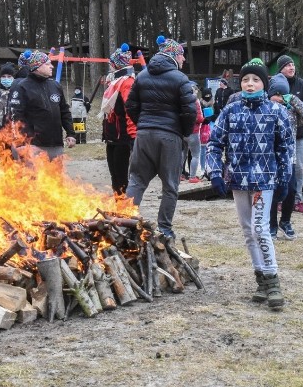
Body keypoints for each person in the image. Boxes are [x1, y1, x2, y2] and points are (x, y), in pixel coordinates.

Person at [206, 61, 293, 310]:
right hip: (238, 180)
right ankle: (261, 280)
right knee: (247, 230)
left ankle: (273, 279)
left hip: (264, 180)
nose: (250, 84)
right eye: (246, 80)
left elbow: (285, 149)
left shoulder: (276, 112)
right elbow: (214, 144)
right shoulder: (231, 111)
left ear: (264, 83)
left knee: (260, 228)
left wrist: (284, 180)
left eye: (255, 80)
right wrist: (215, 173)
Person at [125, 36, 197, 239]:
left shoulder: (142, 76)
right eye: (182, 55)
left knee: (137, 180)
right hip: (169, 137)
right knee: (170, 186)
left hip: (144, 135)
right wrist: (183, 132)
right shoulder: (180, 78)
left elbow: (130, 105)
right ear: (175, 55)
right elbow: (189, 111)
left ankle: (125, 222)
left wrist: (143, 124)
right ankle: (164, 229)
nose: (183, 60)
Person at [267, 74, 303, 240]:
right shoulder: (266, 108)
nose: (279, 98)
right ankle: (271, 224)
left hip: (289, 157)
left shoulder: (291, 109)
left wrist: (293, 99)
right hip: (270, 158)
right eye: (276, 94)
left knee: (291, 189)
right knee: (271, 191)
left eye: (282, 95)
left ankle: (285, 221)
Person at [8, 50, 77, 160]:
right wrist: (21, 143)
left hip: (56, 145)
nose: (52, 67)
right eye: (48, 64)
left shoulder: (55, 86)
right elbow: (15, 117)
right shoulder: (22, 87)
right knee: (34, 177)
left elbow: (64, 111)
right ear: (37, 66)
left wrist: (70, 133)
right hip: (33, 146)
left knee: (56, 177)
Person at [277, 54, 303, 213]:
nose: (291, 67)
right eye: (287, 65)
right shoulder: (276, 85)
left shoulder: (302, 84)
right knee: (283, 168)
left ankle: (297, 200)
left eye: (292, 64)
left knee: (298, 168)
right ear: (281, 69)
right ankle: (280, 199)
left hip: (299, 134)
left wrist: (294, 105)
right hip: (279, 137)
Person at [101, 43, 137, 195]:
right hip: (112, 137)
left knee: (121, 177)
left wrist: (134, 137)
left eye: (111, 63)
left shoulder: (127, 83)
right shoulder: (113, 82)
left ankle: (125, 210)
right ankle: (118, 207)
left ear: (116, 64)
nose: (109, 65)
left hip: (123, 137)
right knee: (115, 176)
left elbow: (130, 110)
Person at [0, 62, 17, 130]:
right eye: (3, 76)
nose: (6, 79)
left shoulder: (17, 93)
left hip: (13, 129)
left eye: (9, 76)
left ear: (13, 78)